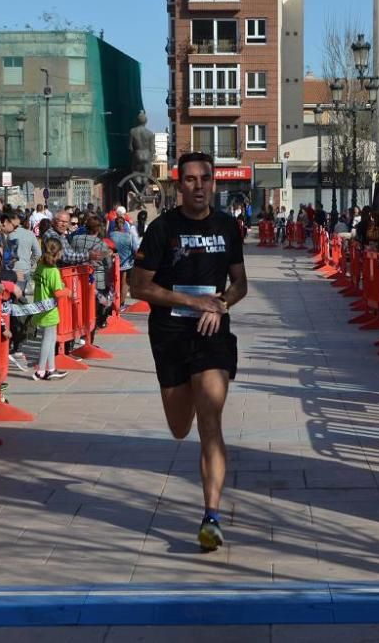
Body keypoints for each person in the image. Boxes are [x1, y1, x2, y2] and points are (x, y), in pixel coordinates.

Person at [130, 151, 248, 552]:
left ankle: (211, 517)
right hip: (170, 334)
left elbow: (239, 283)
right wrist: (192, 300)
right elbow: (139, 287)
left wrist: (222, 305)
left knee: (210, 420)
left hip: (213, 334)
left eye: (206, 178)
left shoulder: (228, 227)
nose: (199, 186)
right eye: (191, 180)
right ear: (179, 185)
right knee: (182, 427)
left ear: (215, 182)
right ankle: (191, 391)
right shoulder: (163, 230)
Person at [30, 237, 68, 381]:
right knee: (47, 339)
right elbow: (58, 292)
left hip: (40, 305)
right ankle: (40, 370)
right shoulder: (53, 271)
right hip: (49, 308)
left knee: (51, 338)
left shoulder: (41, 266)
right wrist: (68, 291)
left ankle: (51, 368)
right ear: (57, 253)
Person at [72, 215, 113, 328]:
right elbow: (109, 265)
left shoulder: (75, 239)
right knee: (94, 307)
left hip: (78, 278)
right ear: (98, 229)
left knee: (80, 304)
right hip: (97, 281)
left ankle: (79, 325)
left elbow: (71, 256)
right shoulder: (102, 244)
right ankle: (90, 331)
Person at [109, 215, 137, 309]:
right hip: (127, 262)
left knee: (115, 282)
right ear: (124, 224)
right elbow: (134, 249)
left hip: (114, 262)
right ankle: (121, 303)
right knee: (124, 283)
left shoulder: (111, 235)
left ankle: (114, 301)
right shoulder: (129, 235)